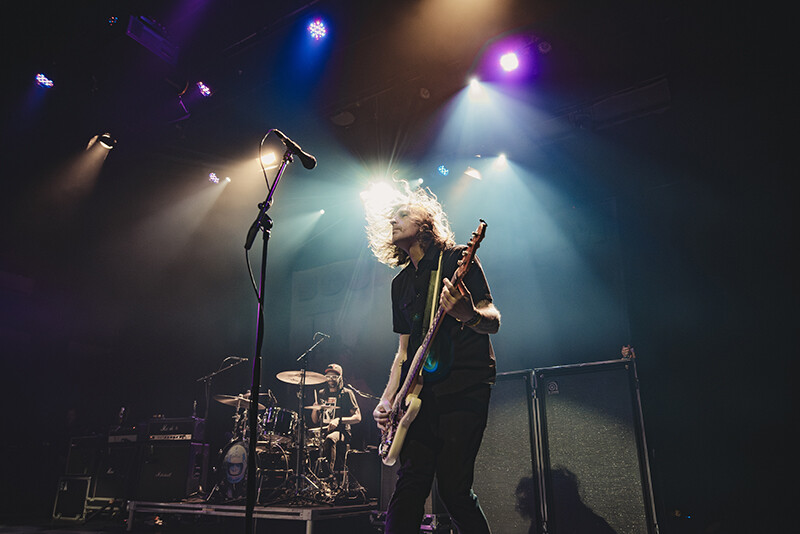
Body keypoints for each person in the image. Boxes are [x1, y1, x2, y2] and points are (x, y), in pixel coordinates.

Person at [365, 184, 501, 534]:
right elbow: (403, 353)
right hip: (419, 396)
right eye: (391, 217)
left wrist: (467, 314)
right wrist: (387, 398)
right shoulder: (399, 284)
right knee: (410, 484)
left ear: (426, 223)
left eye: (403, 214)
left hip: (465, 385)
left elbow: (493, 321)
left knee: (454, 491)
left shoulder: (457, 259)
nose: (394, 221)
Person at [310, 363, 362, 478]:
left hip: (342, 432)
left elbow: (358, 418)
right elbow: (315, 420)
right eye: (328, 376)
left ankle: (327, 478)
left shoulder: (347, 393)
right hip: (324, 430)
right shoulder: (322, 393)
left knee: (330, 439)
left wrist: (339, 420)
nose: (331, 379)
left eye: (334, 376)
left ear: (340, 377)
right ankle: (313, 478)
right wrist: (315, 409)